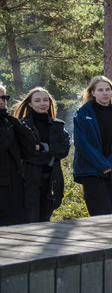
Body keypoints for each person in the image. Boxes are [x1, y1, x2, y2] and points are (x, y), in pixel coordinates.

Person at [73, 76, 112, 216]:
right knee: (100, 214)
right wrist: (102, 164)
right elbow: (82, 143)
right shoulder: (82, 114)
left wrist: (109, 164)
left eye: (108, 89)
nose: (105, 93)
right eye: (100, 90)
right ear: (93, 93)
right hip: (92, 171)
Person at [14, 87, 71, 222]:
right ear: (30, 103)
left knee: (46, 219)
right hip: (29, 179)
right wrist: (51, 155)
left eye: (45, 100)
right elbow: (27, 154)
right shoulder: (22, 126)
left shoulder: (58, 126)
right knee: (30, 219)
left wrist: (43, 148)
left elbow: (64, 150)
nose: (42, 103)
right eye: (38, 100)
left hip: (52, 179)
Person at [0, 81, 36, 225]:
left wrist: (21, 129)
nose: (2, 101)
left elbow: (28, 151)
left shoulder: (9, 121)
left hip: (14, 185)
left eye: (4, 97)